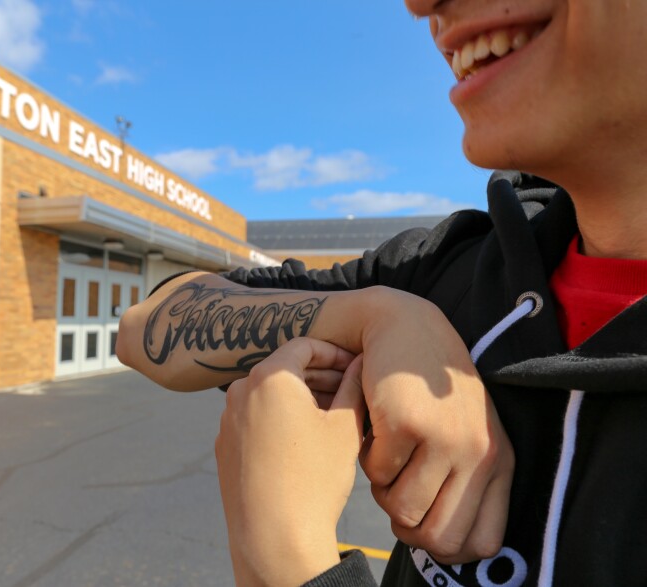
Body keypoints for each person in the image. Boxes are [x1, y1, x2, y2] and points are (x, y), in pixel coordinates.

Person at [118, 0, 647, 584]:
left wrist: (285, 560)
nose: (420, 5)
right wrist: (378, 315)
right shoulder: (445, 266)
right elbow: (146, 324)